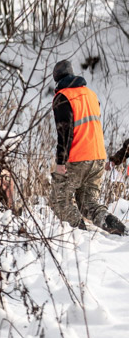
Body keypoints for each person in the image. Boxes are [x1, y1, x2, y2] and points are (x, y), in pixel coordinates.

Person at [50, 60, 126, 235]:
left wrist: (61, 162)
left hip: (77, 159)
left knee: (60, 201)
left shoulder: (63, 97)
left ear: (57, 79)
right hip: (98, 156)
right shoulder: (90, 94)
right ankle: (119, 228)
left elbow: (64, 132)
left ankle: (79, 235)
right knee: (88, 203)